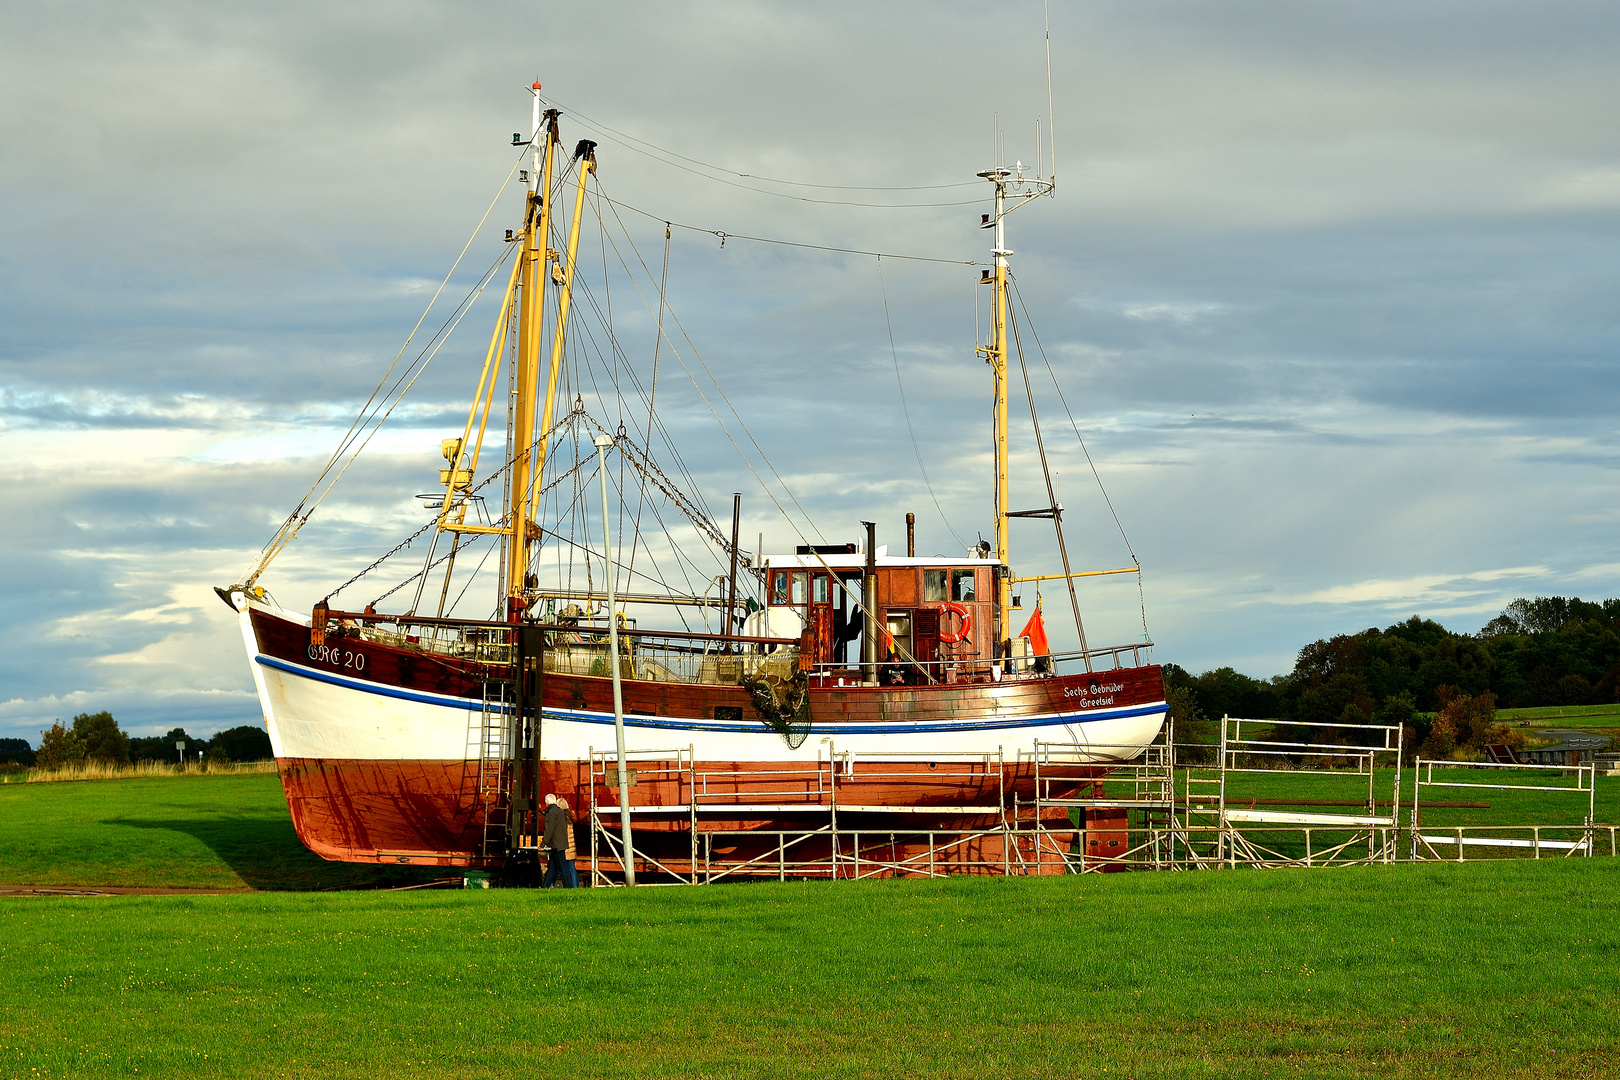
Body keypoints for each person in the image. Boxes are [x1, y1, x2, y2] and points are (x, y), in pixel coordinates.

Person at [541, 793, 576, 889]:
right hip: (561, 842)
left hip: (556, 844)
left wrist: (543, 843)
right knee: (552, 867)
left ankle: (569, 886)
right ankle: (545, 885)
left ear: (546, 803)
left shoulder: (551, 812)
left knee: (563, 867)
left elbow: (550, 829)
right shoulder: (560, 812)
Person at [557, 797, 579, 888]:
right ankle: (575, 886)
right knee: (571, 869)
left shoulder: (562, 818)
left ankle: (571, 886)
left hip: (565, 846)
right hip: (571, 846)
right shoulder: (569, 816)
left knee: (565, 868)